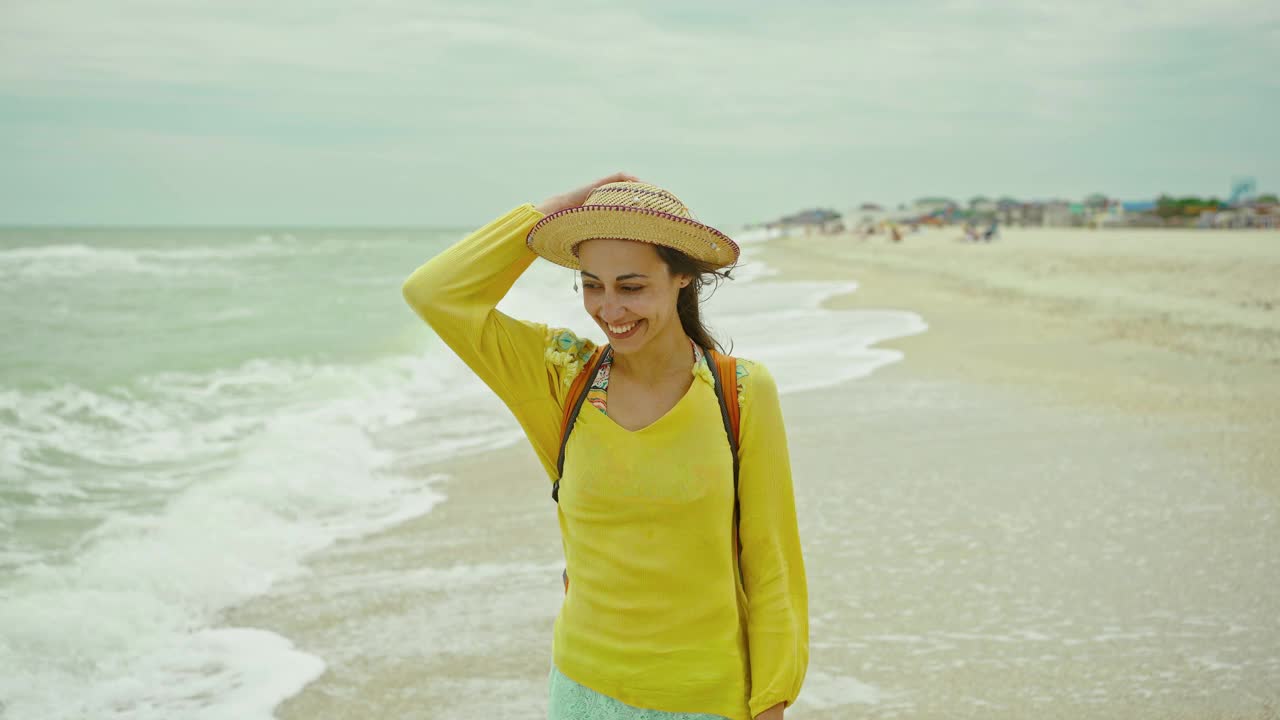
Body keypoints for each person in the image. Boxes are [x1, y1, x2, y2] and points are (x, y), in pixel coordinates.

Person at [401, 173, 808, 720]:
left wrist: (772, 701)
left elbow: (771, 562)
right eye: (592, 284)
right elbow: (434, 294)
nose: (609, 309)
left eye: (632, 286)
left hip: (705, 699)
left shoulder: (739, 393)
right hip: (580, 690)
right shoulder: (561, 377)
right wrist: (551, 211)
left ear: (682, 275)